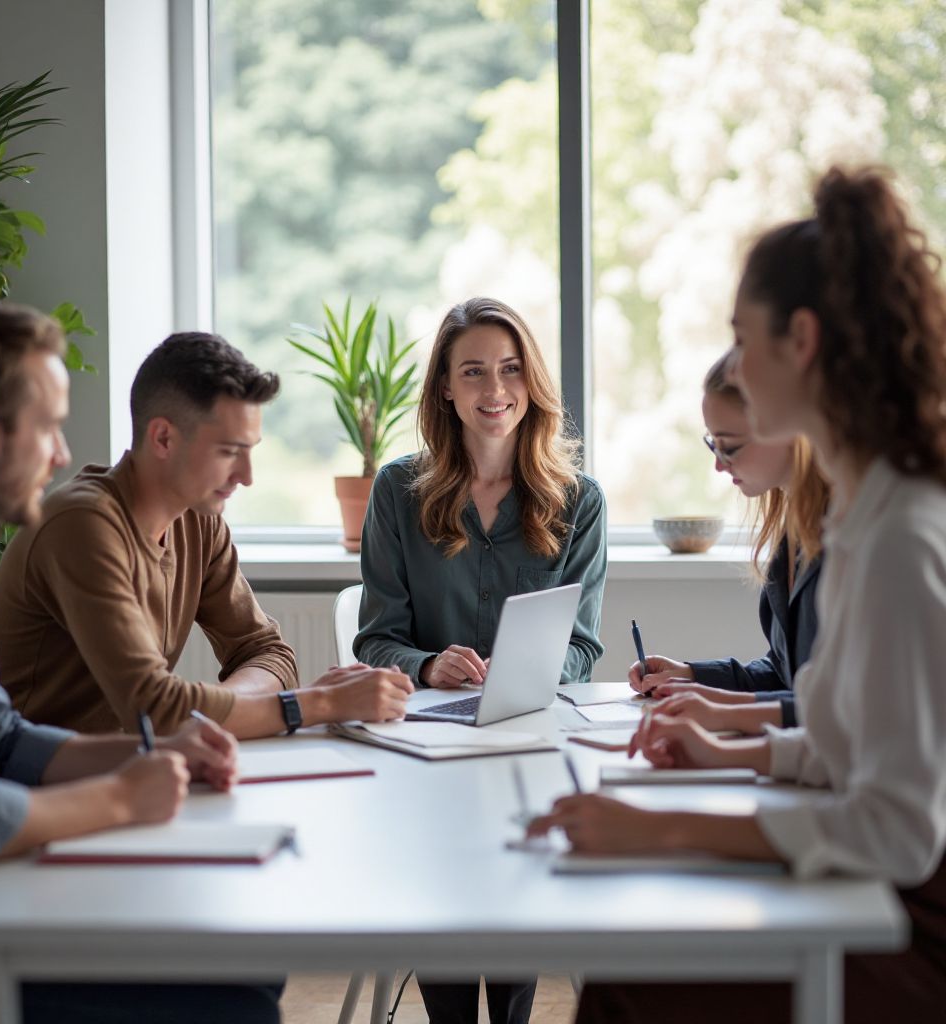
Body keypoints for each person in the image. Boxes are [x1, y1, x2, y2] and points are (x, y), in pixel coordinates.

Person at [529, 166, 946, 1023]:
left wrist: (663, 830)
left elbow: (898, 830)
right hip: (880, 891)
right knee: (629, 950)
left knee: (626, 976)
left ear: (801, 340)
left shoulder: (903, 536)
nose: (736, 365)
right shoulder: (869, 516)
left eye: (741, 335)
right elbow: (853, 747)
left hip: (915, 931)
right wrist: (730, 757)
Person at [0, 301, 283, 1024]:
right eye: (50, 428)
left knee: (254, 967)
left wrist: (153, 753)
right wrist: (122, 797)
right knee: (238, 1004)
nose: (62, 453)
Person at [356, 296, 607, 1024]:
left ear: (531, 381)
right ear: (444, 386)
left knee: (515, 872)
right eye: (473, 372)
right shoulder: (396, 492)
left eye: (509, 370)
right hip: (430, 750)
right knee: (448, 874)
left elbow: (584, 648)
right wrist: (429, 665)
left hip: (527, 740)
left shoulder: (577, 500)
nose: (494, 391)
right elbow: (376, 639)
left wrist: (525, 674)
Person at [0, 331, 412, 740]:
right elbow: (154, 711)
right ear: (163, 438)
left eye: (251, 450)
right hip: (37, 787)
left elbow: (268, 653)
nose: (246, 477)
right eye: (229, 452)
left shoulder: (198, 519)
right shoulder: (82, 525)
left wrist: (211, 715)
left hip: (142, 770)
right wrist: (317, 705)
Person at [629, 349, 830, 733]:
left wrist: (722, 708)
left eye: (730, 445)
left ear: (790, 430)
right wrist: (693, 675)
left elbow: (843, 709)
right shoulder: (793, 530)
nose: (719, 464)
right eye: (712, 444)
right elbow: (787, 674)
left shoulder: (850, 536)